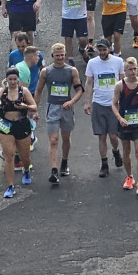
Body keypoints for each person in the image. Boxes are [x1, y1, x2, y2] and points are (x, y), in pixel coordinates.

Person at [33, 44, 84, 183]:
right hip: (52, 107)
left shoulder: (72, 71)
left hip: (67, 108)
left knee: (66, 138)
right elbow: (38, 91)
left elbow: (79, 90)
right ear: (52, 56)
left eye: (62, 55)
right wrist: (34, 109)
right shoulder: (46, 72)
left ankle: (64, 162)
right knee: (54, 140)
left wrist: (72, 102)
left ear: (65, 55)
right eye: (57, 55)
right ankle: (54, 170)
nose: (60, 58)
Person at [0, 68, 37, 199]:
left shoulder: (24, 91)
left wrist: (26, 107)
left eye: (14, 79)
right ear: (6, 80)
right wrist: (0, 90)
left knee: (24, 156)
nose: (12, 82)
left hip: (21, 125)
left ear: (18, 79)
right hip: (6, 126)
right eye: (10, 79)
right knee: (8, 155)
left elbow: (34, 106)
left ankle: (26, 170)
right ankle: (10, 186)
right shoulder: (2, 91)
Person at [83, 38, 125, 178]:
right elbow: (89, 82)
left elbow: (123, 81)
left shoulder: (118, 62)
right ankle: (104, 164)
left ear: (109, 49)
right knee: (101, 135)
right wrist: (87, 102)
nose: (102, 52)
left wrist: (124, 101)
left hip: (114, 104)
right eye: (99, 50)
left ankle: (115, 150)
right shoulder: (92, 63)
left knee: (113, 135)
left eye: (104, 50)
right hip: (99, 103)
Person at [112, 57, 138, 196]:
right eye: (130, 69)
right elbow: (114, 104)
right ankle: (129, 177)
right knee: (126, 151)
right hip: (125, 123)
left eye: (135, 69)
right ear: (125, 70)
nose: (133, 72)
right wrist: (120, 118)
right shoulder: (120, 85)